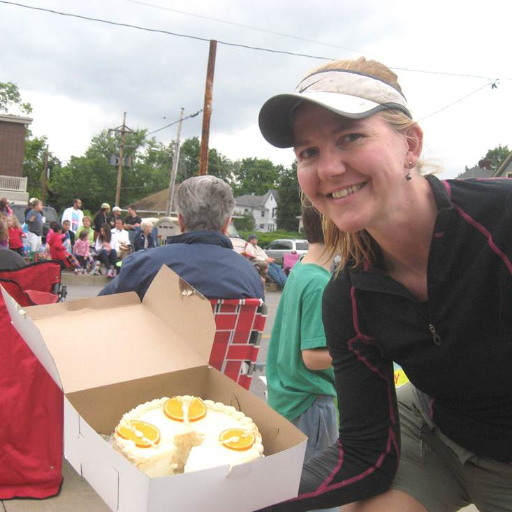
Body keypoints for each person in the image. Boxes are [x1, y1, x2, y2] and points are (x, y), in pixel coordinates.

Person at [257, 57, 512, 511]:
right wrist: (226, 494)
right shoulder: (348, 295)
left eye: (350, 137)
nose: (329, 168)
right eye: (308, 152)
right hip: (431, 430)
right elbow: (365, 455)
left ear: (409, 143)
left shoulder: (501, 227)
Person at [266, 202, 337, 512]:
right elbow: (313, 357)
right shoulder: (320, 283)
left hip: (288, 400)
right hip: (311, 404)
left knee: (293, 490)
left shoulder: (301, 271)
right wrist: (361, 348)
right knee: (322, 495)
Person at [99, 175, 264, 300]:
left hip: (159, 345)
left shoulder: (144, 265)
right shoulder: (249, 274)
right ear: (227, 223)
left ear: (181, 220)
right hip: (224, 346)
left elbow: (98, 311)